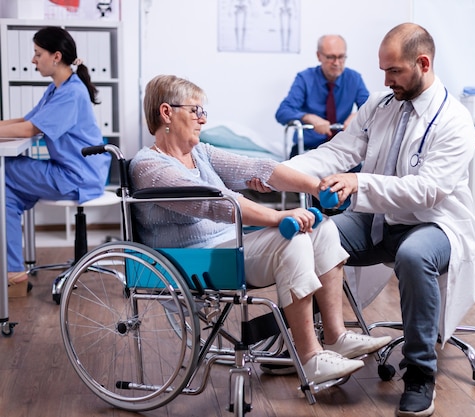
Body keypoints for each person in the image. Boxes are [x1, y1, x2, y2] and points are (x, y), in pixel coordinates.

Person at [251, 23, 475, 416]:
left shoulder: (454, 120)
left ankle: (419, 373)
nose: (386, 81)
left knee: (414, 257)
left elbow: (426, 191)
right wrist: (283, 172)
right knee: (319, 233)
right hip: (378, 218)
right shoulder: (382, 106)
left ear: (423, 63)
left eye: (394, 71)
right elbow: (339, 151)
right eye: (383, 71)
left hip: (433, 224)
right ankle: (307, 345)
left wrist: (357, 182)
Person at [129, 75, 390, 385]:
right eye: (196, 110)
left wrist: (317, 188)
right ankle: (309, 358)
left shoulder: (200, 153)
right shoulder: (149, 167)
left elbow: (259, 168)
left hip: (225, 249)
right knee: (289, 240)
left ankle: (335, 336)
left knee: (324, 229)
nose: (203, 119)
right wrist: (279, 216)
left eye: (204, 112)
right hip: (189, 261)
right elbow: (215, 205)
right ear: (166, 112)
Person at [0, 26, 110, 297]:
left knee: (5, 172)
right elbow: (26, 121)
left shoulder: (70, 93)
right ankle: (13, 272)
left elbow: (29, 131)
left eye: (38, 54)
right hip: (75, 171)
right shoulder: (58, 88)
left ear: (56, 56)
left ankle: (13, 272)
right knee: (6, 195)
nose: (33, 60)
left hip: (77, 176)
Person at [276, 34, 369, 157]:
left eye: (341, 57)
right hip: (308, 149)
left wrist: (358, 115)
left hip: (341, 149)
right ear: (319, 56)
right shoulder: (305, 79)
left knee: (357, 174)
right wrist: (309, 117)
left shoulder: (354, 79)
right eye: (331, 57)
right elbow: (283, 112)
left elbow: (371, 108)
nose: (336, 63)